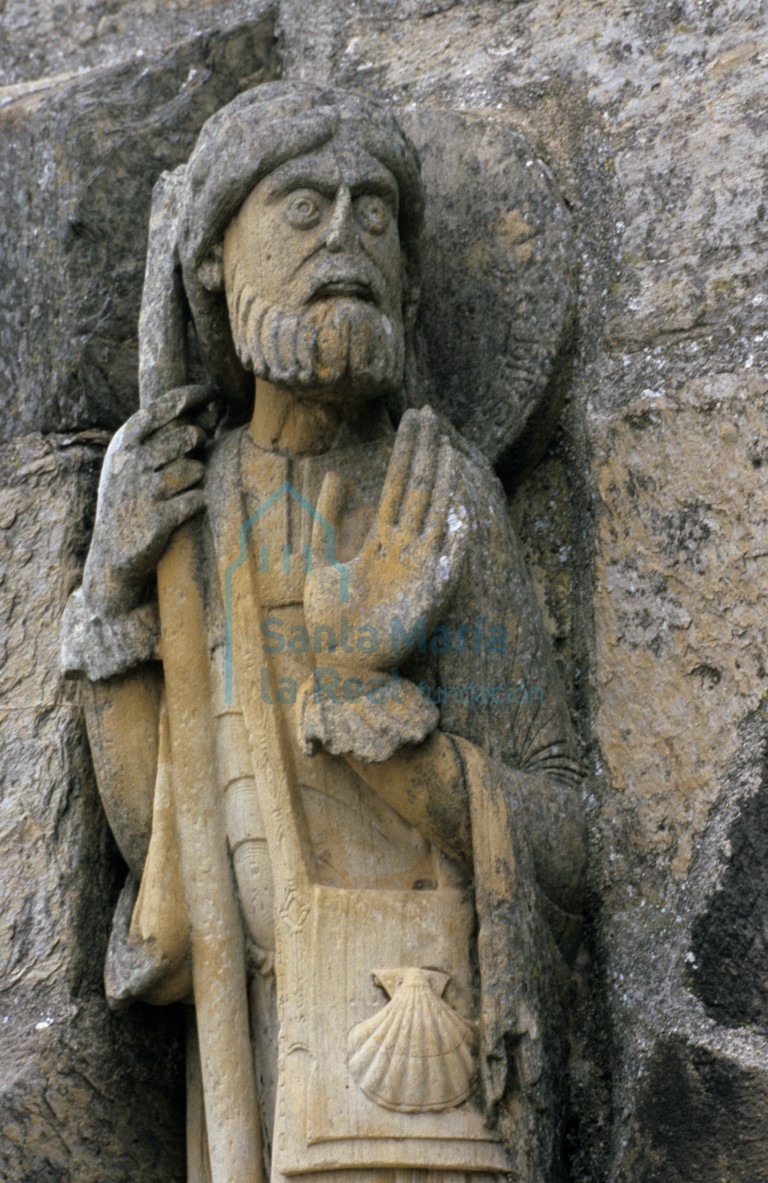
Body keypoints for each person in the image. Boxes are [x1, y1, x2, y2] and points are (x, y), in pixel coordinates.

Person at [62, 83, 585, 1183]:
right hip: (251, 1061)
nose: (345, 236)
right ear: (215, 260)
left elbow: (572, 838)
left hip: (422, 1056)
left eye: (375, 213)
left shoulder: (438, 497)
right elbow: (158, 842)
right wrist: (113, 598)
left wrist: (390, 730)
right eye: (303, 208)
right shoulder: (189, 514)